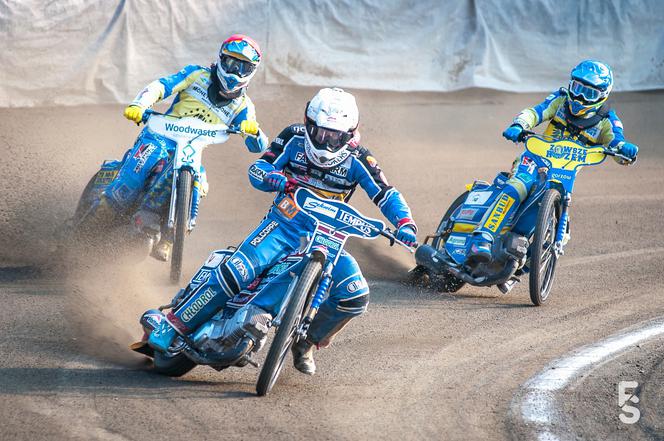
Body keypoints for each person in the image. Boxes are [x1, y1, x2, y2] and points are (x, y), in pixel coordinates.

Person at [148, 87, 418, 375]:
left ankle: (307, 342)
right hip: (283, 225)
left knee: (355, 295)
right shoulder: (293, 137)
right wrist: (278, 181)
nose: (326, 143)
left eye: (335, 136)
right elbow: (258, 170)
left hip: (330, 239)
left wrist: (405, 223)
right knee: (238, 269)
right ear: (308, 123)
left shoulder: (360, 159)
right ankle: (176, 323)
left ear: (351, 133)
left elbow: (387, 195)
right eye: (320, 133)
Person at [97, 34, 268, 261]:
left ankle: (170, 237)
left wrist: (253, 131)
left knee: (201, 182)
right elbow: (161, 86)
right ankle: (101, 212)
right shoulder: (196, 75)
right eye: (230, 63)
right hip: (160, 138)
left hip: (190, 153)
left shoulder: (244, 106)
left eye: (242, 67)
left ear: (251, 71)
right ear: (220, 60)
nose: (234, 71)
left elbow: (258, 145)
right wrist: (140, 104)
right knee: (146, 159)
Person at [467, 60, 639, 263]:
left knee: (563, 231)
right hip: (534, 160)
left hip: (564, 174)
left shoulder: (607, 121)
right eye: (577, 88)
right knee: (519, 185)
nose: (580, 97)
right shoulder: (560, 100)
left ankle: (528, 261)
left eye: (589, 93)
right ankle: (483, 238)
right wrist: (519, 125)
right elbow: (535, 112)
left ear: (602, 95)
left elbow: (616, 141)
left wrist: (625, 150)